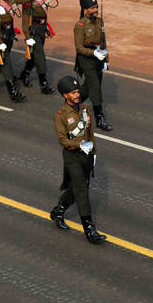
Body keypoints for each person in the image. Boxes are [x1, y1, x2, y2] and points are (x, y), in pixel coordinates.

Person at [50, 75, 106, 244]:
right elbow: (62, 140)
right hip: (72, 157)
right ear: (65, 95)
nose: (77, 94)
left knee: (77, 188)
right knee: (81, 190)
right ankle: (89, 229)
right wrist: (78, 145)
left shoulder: (84, 109)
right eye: (73, 92)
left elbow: (90, 133)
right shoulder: (61, 115)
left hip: (86, 155)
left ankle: (59, 210)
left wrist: (93, 151)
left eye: (78, 91)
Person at [74, 0, 112, 131]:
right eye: (92, 7)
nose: (95, 9)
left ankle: (73, 105)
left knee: (88, 87)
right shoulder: (80, 25)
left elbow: (103, 41)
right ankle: (100, 117)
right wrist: (93, 53)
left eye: (96, 7)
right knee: (95, 87)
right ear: (85, 10)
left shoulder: (100, 21)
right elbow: (79, 48)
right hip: (86, 58)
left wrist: (106, 59)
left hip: (99, 57)